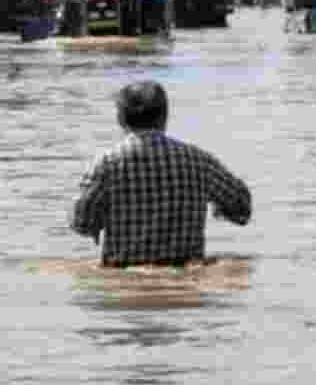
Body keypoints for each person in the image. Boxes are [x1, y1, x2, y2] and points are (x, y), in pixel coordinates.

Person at [69, 81, 252, 267]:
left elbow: (81, 223)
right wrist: (218, 208)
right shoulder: (199, 161)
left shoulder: (107, 164)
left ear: (121, 118)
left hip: (124, 279)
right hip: (186, 280)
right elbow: (241, 207)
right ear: (164, 116)